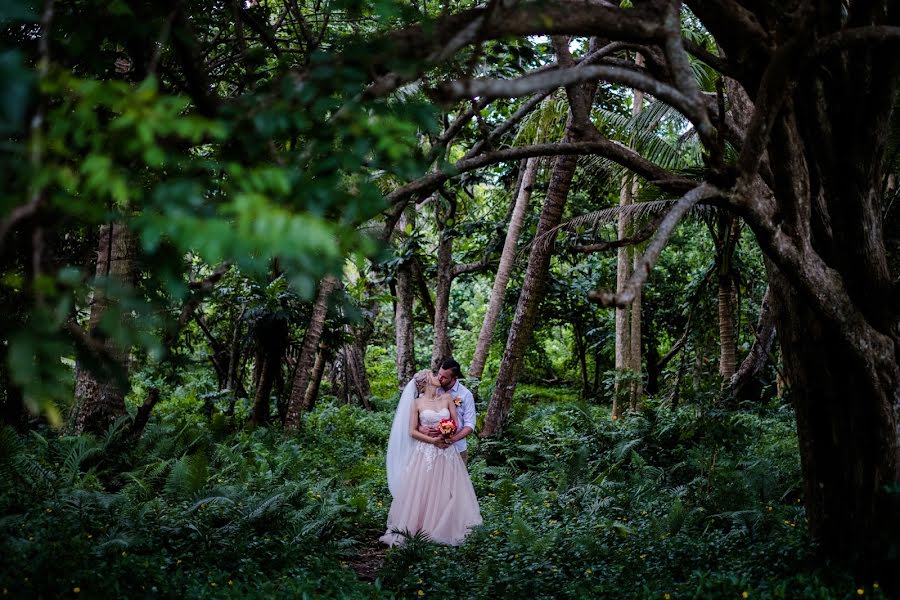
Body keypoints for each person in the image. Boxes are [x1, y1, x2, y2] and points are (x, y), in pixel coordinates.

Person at [381, 371, 482, 546]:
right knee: (424, 491)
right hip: (425, 453)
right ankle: (421, 529)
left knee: (448, 490)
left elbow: (456, 422)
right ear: (427, 381)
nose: (437, 376)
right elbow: (411, 431)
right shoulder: (417, 403)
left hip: (447, 451)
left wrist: (447, 432)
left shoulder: (448, 398)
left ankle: (446, 528)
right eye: (433, 374)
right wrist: (432, 440)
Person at [420, 359, 476, 464]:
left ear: (454, 378)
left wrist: (452, 439)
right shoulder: (434, 388)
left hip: (457, 449)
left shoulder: (465, 395)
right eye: (439, 374)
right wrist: (421, 428)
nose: (440, 378)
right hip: (432, 448)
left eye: (444, 377)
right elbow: (420, 414)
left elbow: (470, 425)